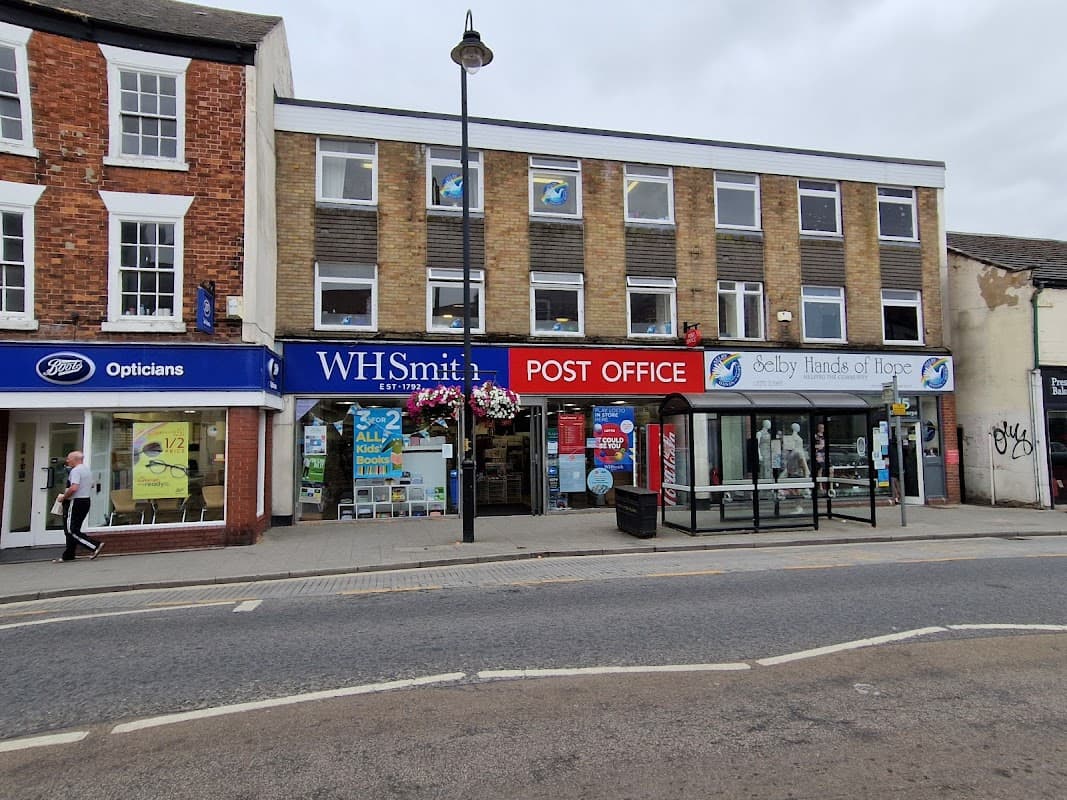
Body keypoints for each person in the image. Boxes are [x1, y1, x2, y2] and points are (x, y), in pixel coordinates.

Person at [54, 451, 104, 562]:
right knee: (74, 529)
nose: (67, 461)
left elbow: (74, 488)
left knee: (71, 530)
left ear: (75, 459)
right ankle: (69, 555)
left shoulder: (75, 471)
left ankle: (94, 545)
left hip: (75, 501)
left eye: (69, 458)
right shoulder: (87, 470)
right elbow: (91, 485)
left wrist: (64, 497)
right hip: (85, 501)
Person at [887, 437, 902, 505]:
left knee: (893, 482)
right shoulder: (898, 447)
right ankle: (899, 497)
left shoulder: (890, 448)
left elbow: (888, 457)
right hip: (899, 467)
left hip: (893, 467)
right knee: (897, 482)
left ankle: (896, 496)